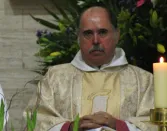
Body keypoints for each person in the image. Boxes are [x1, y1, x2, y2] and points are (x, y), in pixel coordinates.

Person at [24, 4, 156, 131]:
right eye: (88, 33)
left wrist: (117, 125)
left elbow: (155, 125)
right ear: (78, 38)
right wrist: (71, 127)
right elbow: (35, 122)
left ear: (117, 35)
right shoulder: (55, 77)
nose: (96, 40)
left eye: (103, 32)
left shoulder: (143, 81)